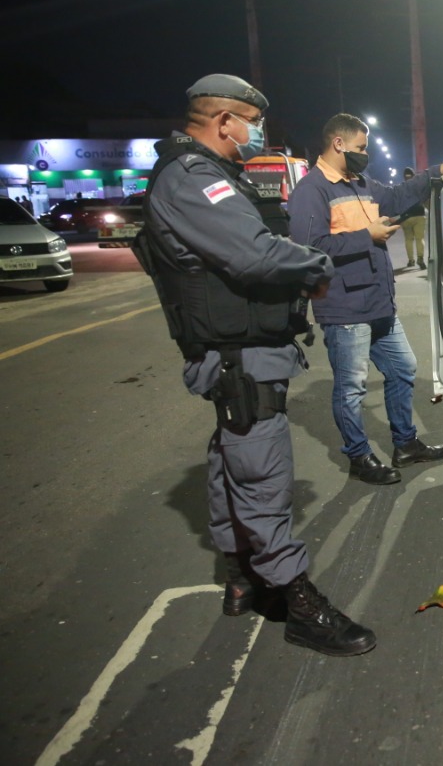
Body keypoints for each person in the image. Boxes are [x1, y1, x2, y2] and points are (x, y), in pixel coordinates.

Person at [132, 74, 375, 657]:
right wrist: (316, 267)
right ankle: (298, 602)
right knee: (262, 473)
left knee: (229, 462)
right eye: (250, 120)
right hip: (238, 356)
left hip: (236, 351)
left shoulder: (202, 175)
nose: (256, 131)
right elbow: (255, 252)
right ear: (223, 121)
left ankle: (243, 579)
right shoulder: (192, 178)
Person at [288, 114, 443, 485]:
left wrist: (435, 171)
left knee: (402, 369)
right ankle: (359, 456)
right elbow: (309, 248)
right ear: (338, 143)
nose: (364, 154)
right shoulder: (312, 190)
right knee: (350, 388)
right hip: (344, 306)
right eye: (361, 147)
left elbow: (398, 196)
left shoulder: (361, 183)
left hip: (379, 302)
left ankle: (405, 444)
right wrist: (365, 235)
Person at [398, 167, 427, 271]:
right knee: (420, 239)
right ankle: (420, 258)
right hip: (419, 214)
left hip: (406, 216)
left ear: (404, 177)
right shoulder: (419, 187)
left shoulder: (401, 188)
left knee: (408, 239)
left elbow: (397, 202)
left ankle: (411, 260)